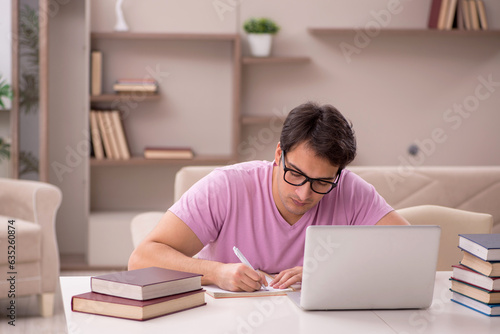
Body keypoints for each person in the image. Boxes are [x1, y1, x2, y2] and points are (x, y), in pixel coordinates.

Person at [128, 102, 409, 292]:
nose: (304, 193)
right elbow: (141, 259)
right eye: (295, 174)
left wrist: (329, 271)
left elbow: (407, 253)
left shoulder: (349, 189)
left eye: (322, 182)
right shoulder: (227, 187)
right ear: (278, 155)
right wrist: (216, 273)